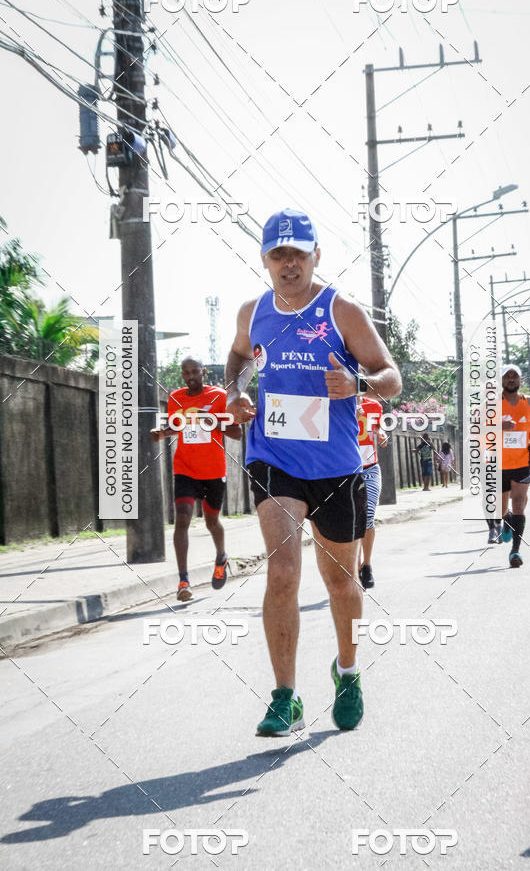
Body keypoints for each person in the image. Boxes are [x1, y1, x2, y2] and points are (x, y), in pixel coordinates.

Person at [225, 208, 402, 736]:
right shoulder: (252, 313)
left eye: (298, 254)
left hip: (336, 466)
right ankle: (285, 697)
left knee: (341, 582)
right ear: (264, 260)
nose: (289, 264)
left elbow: (391, 376)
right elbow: (238, 358)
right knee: (282, 572)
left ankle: (347, 673)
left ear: (316, 256)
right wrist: (234, 392)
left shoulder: (341, 309)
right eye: (278, 254)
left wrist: (359, 384)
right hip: (274, 458)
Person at [151, 357, 241, 600]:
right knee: (182, 519)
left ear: (203, 372)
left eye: (195, 372)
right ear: (182, 374)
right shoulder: (175, 398)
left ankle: (221, 556)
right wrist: (162, 434)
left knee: (212, 522)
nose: (191, 376)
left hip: (213, 471)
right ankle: (183, 581)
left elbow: (237, 433)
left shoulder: (219, 397)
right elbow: (176, 426)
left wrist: (211, 421)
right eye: (186, 372)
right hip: (185, 468)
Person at [501, 364, 530, 568]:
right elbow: (478, 427)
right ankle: (507, 519)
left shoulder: (529, 402)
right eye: (507, 376)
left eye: (515, 376)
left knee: (519, 502)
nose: (511, 379)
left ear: (520, 380)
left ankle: (515, 551)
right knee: (500, 509)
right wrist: (499, 426)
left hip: (522, 460)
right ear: (501, 380)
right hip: (497, 462)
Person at [356, 393, 388, 589]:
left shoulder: (374, 406)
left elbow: (376, 427)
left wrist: (381, 433)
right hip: (345, 471)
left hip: (370, 469)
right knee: (351, 519)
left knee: (368, 515)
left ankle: (366, 566)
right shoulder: (336, 403)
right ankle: (355, 566)